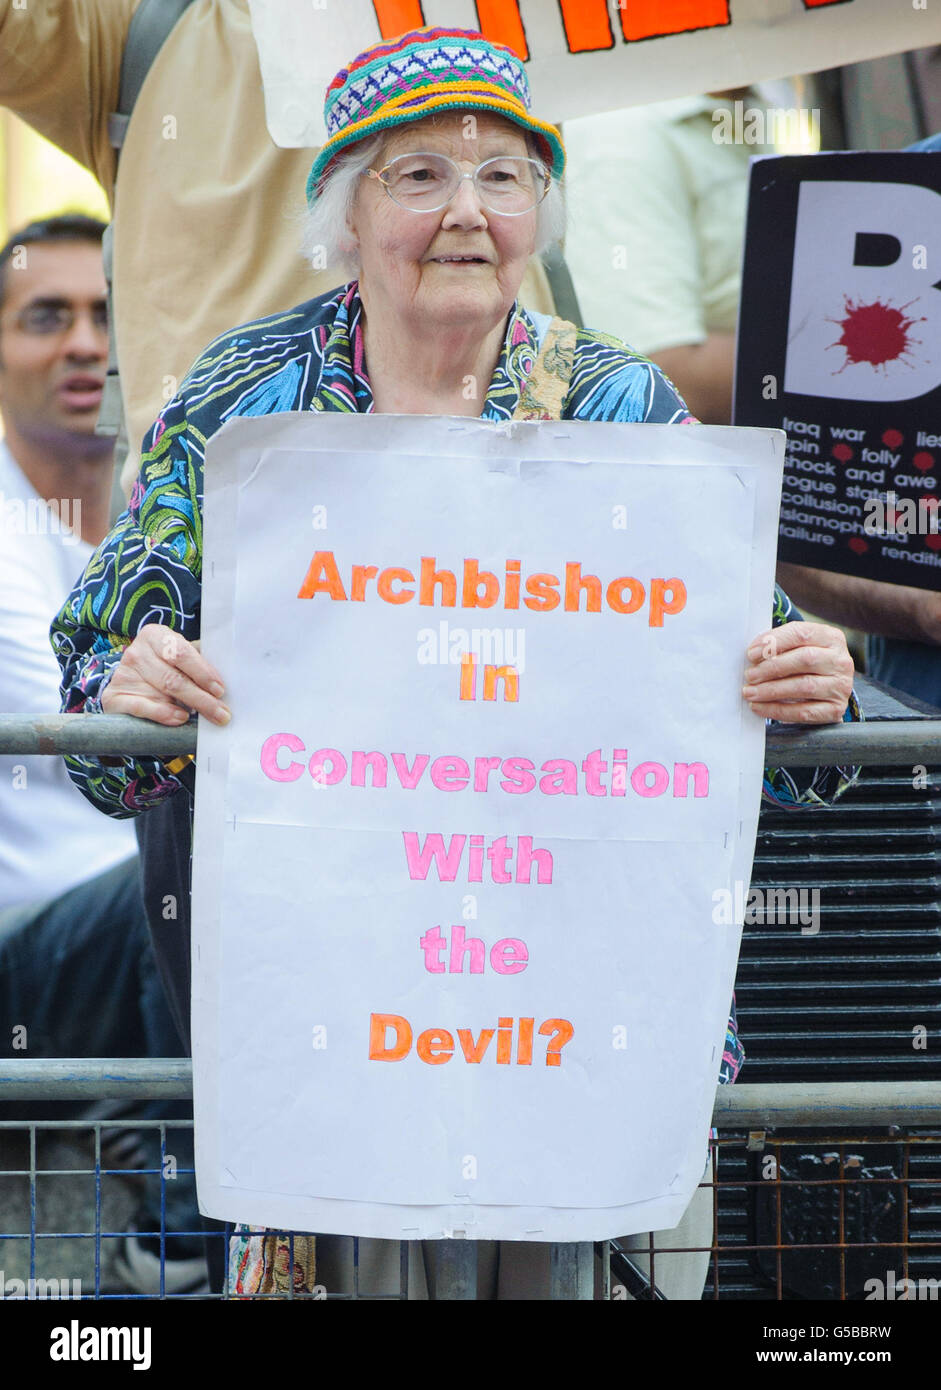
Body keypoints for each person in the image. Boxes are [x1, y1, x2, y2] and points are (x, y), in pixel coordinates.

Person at [51, 26, 858, 1299]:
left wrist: (810, 683)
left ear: (540, 206)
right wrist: (131, 689)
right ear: (343, 213)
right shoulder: (246, 398)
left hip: (581, 1035)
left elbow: (776, 721)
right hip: (342, 1032)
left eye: (501, 177)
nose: (465, 212)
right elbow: (96, 685)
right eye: (415, 175)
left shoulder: (616, 405)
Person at [0, 213, 203, 1293]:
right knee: (174, 857)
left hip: (119, 948)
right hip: (23, 962)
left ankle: (155, 1132)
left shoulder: (147, 525)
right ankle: (175, 1251)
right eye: (46, 315)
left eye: (104, 313)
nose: (85, 341)